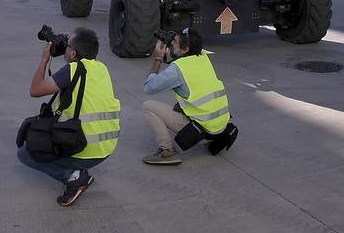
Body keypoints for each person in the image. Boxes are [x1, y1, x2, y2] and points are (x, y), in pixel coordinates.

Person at [20, 27, 121, 206]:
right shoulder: (101, 68)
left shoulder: (72, 70)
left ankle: (74, 177)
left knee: (25, 153)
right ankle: (77, 169)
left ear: (73, 53)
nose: (63, 46)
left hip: (85, 148)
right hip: (107, 146)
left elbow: (35, 90)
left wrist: (44, 59)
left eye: (67, 44)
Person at [142, 28, 237, 164]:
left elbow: (149, 87)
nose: (171, 43)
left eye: (174, 41)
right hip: (220, 126)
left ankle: (168, 152)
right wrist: (172, 51)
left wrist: (158, 57)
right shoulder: (203, 56)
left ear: (185, 49)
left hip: (203, 131)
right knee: (182, 101)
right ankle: (211, 138)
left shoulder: (178, 69)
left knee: (148, 106)